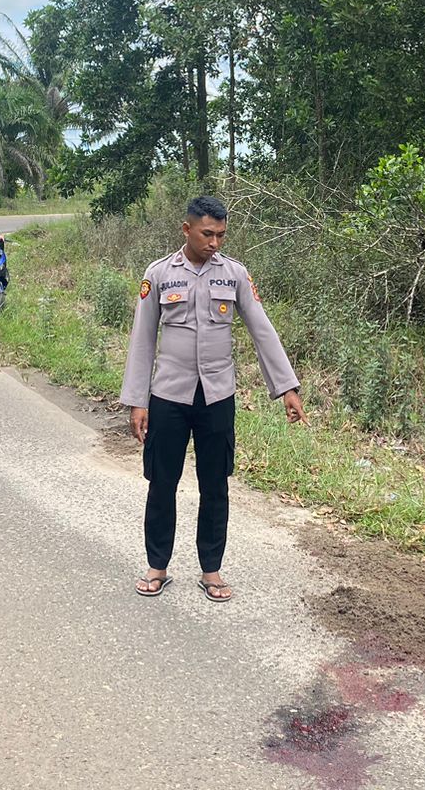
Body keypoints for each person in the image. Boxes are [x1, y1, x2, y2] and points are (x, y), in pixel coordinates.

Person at [122, 195, 307, 602]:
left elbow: (262, 330)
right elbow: (142, 340)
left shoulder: (235, 275)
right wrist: (137, 400)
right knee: (162, 482)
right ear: (186, 229)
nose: (215, 243)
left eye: (221, 234)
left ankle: (212, 571)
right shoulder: (159, 275)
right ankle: (158, 567)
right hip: (168, 396)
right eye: (208, 234)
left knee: (215, 485)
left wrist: (287, 388)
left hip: (217, 397)